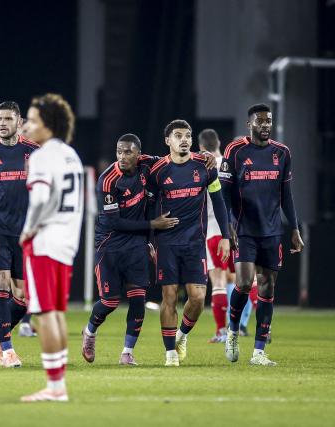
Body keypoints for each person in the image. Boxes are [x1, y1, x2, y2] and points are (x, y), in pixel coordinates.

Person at [81, 134, 178, 366]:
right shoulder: (108, 181)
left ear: (138, 154)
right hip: (110, 244)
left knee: (137, 299)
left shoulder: (148, 164)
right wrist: (153, 225)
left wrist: (204, 157)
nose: (122, 157)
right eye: (119, 152)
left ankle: (127, 352)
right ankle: (90, 332)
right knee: (110, 302)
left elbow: (173, 158)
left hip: (136, 245)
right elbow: (115, 222)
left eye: (127, 152)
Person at [220, 104, 304, 366]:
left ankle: (258, 351)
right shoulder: (234, 151)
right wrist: (227, 226)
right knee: (244, 283)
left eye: (269, 121)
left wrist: (294, 228)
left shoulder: (282, 153)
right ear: (250, 125)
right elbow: (223, 193)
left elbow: (286, 195)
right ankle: (233, 331)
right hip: (244, 229)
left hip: (271, 231)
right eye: (260, 121)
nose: (266, 125)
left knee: (267, 287)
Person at [148, 119, 231, 367]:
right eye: (178, 135)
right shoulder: (158, 170)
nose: (184, 140)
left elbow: (218, 202)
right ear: (168, 141)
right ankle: (169, 354)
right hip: (167, 244)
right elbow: (149, 205)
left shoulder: (205, 167)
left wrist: (226, 236)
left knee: (197, 297)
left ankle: (181, 336)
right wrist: (150, 235)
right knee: (169, 296)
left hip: (195, 242)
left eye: (187, 135)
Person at [19, 93, 83, 402]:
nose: (27, 126)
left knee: (44, 313)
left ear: (49, 124)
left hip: (45, 241)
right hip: (67, 241)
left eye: (32, 120)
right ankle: (58, 385)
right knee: (56, 312)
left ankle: (55, 387)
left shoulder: (42, 156)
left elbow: (42, 199)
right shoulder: (71, 154)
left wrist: (29, 229)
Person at [0, 101, 39, 367]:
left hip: (25, 235)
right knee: (0, 285)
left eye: (7, 119)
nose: (2, 123)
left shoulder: (34, 152)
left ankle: (0, 329)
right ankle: (6, 350)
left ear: (19, 121)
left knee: (26, 298)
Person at [197, 129, 235, 343]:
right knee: (248, 279)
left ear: (201, 147)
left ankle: (221, 331)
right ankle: (262, 329)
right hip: (234, 231)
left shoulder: (203, 168)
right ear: (219, 142)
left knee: (218, 281)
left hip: (212, 230)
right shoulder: (230, 165)